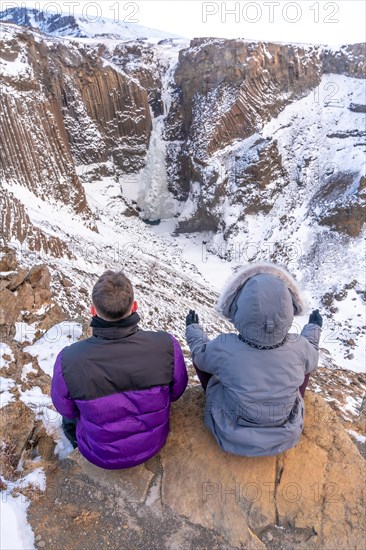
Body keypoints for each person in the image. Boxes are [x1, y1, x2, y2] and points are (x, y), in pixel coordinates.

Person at [51, 270, 188, 469]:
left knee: (69, 411)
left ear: (93, 311)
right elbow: (176, 392)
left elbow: (66, 409)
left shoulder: (69, 360)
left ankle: (75, 448)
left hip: (99, 455)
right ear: (134, 307)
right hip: (152, 445)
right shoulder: (166, 345)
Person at [185, 262, 322, 457]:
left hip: (231, 431)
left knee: (208, 361)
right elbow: (313, 357)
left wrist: (193, 330)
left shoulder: (225, 346)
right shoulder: (299, 346)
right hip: (285, 431)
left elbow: (200, 356)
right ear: (288, 310)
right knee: (305, 363)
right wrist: (313, 329)